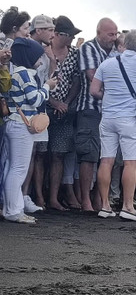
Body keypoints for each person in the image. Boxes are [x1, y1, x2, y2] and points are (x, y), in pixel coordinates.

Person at [90, 29, 136, 221]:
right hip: (129, 117)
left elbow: (94, 91)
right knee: (131, 162)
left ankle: (105, 205)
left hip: (108, 116)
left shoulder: (107, 63)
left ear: (125, 43)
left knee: (106, 160)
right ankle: (127, 206)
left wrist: (110, 97)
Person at [2, 38, 58, 223]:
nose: (40, 61)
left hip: (14, 122)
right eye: (37, 56)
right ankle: (13, 211)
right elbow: (35, 100)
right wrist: (47, 87)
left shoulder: (17, 73)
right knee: (18, 169)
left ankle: (13, 208)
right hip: (21, 125)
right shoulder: (25, 74)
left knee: (12, 168)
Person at [76, 18, 118, 212]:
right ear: (99, 32)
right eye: (110, 34)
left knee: (106, 156)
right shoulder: (89, 48)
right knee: (89, 155)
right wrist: (117, 88)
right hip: (91, 108)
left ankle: (99, 198)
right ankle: (85, 199)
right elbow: (92, 76)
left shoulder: (117, 53)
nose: (114, 38)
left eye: (116, 34)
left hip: (110, 111)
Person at [46, 16, 83, 210]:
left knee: (59, 154)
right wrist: (53, 102)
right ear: (59, 34)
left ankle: (53, 198)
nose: (71, 39)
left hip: (64, 110)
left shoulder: (74, 53)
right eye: (70, 35)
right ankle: (37, 196)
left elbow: (76, 81)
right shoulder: (43, 50)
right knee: (38, 154)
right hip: (42, 106)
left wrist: (66, 103)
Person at [22, 15, 56, 210]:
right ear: (39, 30)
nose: (53, 34)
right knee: (20, 153)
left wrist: (52, 58)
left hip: (40, 106)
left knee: (34, 152)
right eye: (50, 30)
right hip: (25, 104)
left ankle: (25, 195)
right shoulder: (24, 46)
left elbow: (51, 80)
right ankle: (15, 196)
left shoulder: (45, 52)